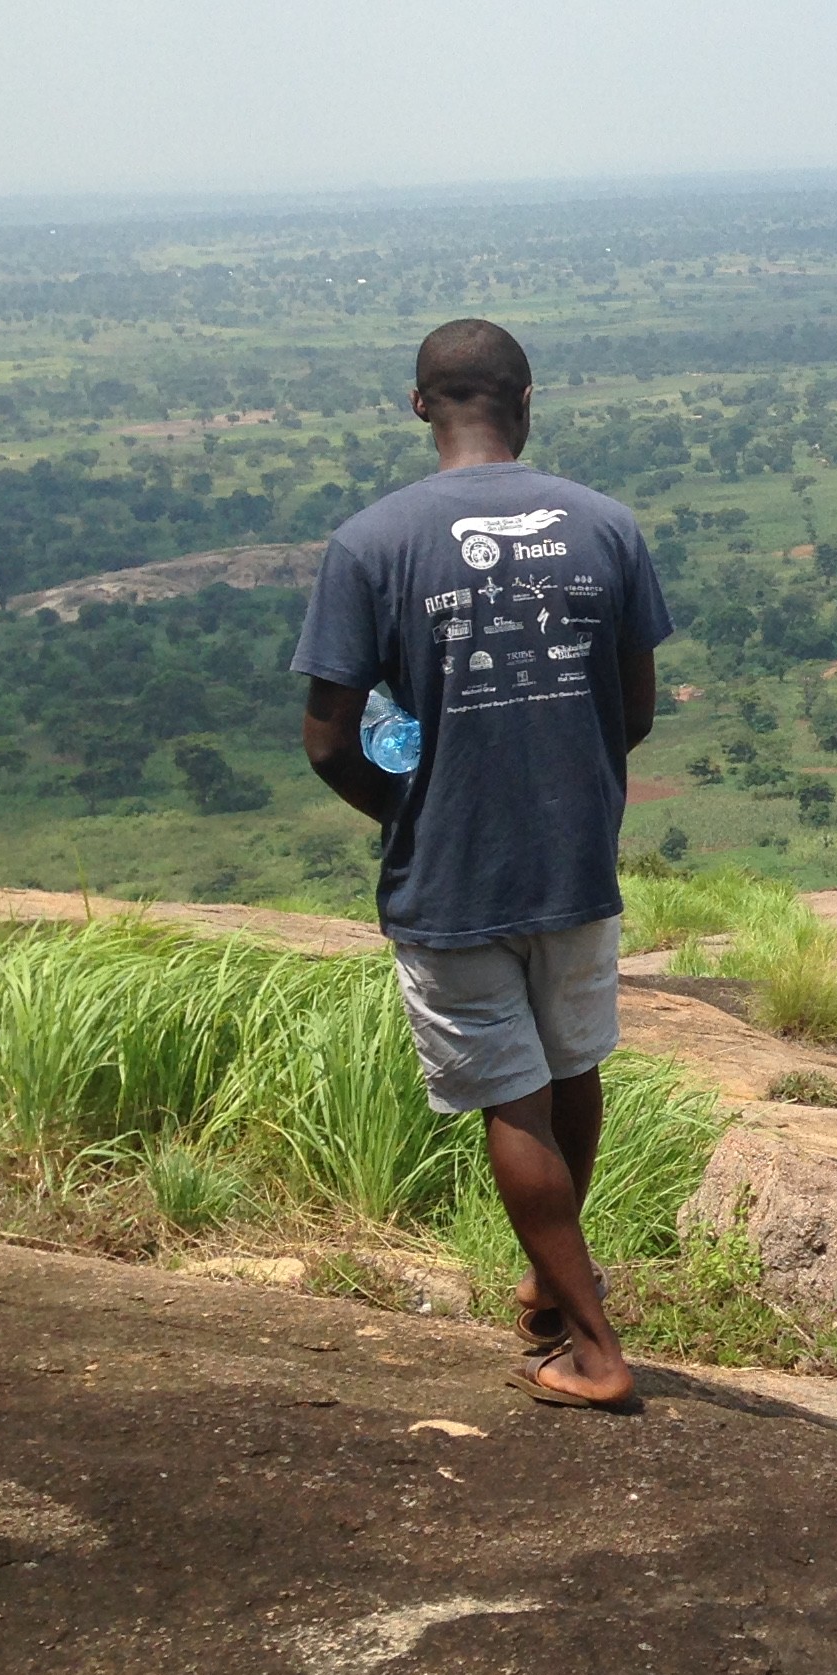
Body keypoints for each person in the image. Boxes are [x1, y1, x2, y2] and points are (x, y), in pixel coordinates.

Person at [294, 318, 674, 1410]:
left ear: (420, 405)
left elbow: (328, 741)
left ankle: (594, 1351)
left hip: (452, 875)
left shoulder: (371, 543)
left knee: (512, 1099)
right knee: (571, 1069)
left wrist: (413, 812)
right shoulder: (605, 525)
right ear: (528, 399)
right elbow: (632, 712)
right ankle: (553, 1288)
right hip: (575, 857)